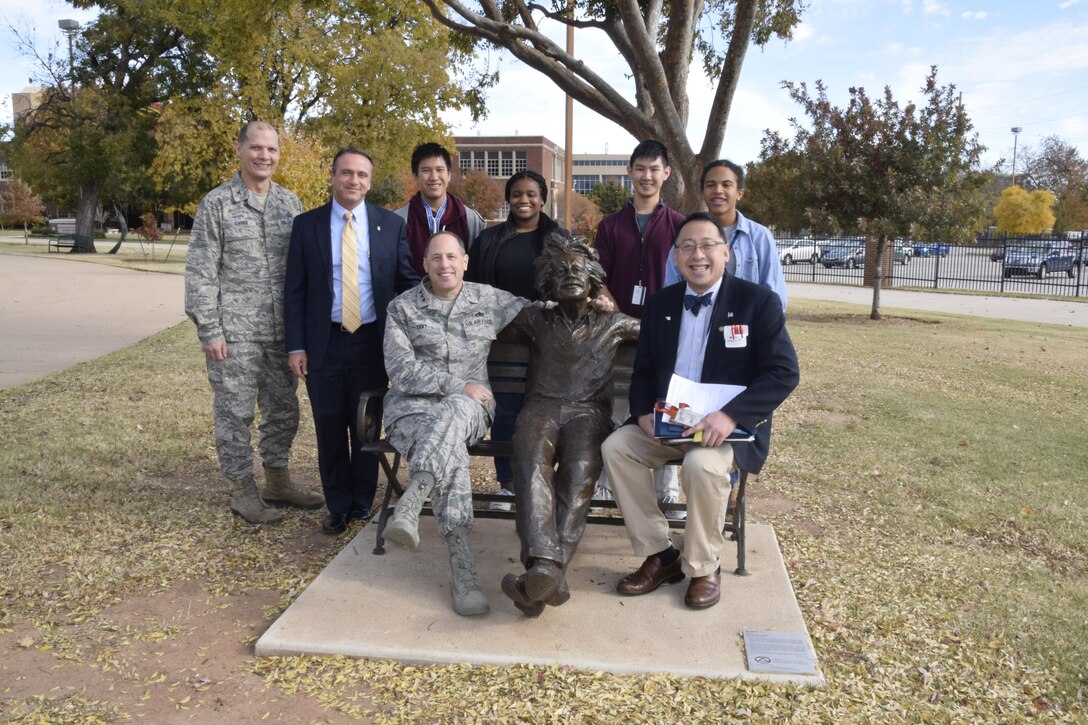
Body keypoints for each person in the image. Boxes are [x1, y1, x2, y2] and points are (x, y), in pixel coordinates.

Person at [601, 212, 799, 610]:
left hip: (724, 431)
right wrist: (642, 413)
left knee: (701, 466)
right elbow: (644, 370)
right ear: (675, 257)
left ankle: (705, 566)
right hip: (670, 426)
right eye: (687, 246)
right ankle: (661, 554)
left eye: (708, 245)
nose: (698, 255)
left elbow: (783, 372)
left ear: (726, 252)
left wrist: (732, 415)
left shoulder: (757, 302)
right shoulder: (660, 306)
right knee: (617, 448)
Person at [379, 231, 530, 617]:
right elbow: (402, 370)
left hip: (471, 410)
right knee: (451, 450)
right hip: (411, 410)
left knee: (456, 411)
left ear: (465, 261)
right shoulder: (403, 308)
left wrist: (597, 302)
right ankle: (462, 569)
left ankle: (414, 498)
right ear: (425, 265)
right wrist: (457, 385)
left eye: (452, 257)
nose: (444, 264)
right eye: (436, 258)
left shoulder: (490, 299)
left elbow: (541, 310)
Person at [185, 121, 323, 525]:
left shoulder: (289, 204)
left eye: (272, 150)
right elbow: (200, 272)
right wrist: (210, 330)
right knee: (235, 414)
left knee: (284, 411)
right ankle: (243, 491)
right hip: (235, 335)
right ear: (239, 150)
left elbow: (303, 271)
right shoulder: (218, 203)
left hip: (282, 334)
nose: (264, 156)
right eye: (256, 148)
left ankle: (277, 480)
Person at [498, 234, 639, 617]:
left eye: (578, 268)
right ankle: (548, 572)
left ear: (594, 278)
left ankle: (541, 574)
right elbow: (485, 330)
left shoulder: (616, 324)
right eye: (559, 271)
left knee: (580, 468)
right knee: (529, 460)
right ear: (546, 281)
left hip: (588, 413)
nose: (569, 275)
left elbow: (663, 339)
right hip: (540, 408)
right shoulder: (532, 319)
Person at [284, 147, 419, 536]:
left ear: (370, 181)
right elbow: (294, 291)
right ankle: (337, 505)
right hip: (323, 343)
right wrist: (296, 346)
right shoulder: (306, 225)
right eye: (346, 173)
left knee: (366, 426)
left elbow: (406, 284)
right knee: (329, 426)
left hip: (371, 342)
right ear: (333, 176)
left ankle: (363, 500)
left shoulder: (389, 225)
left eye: (361, 175)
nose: (354, 181)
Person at [466, 170, 570, 512]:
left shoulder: (560, 240)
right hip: (502, 341)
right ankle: (508, 485)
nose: (523, 200)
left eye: (531, 194)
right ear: (507, 199)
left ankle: (543, 485)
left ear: (543, 199)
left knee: (543, 412)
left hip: (548, 341)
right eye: (516, 194)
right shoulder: (489, 239)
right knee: (506, 411)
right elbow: (474, 287)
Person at [592, 140, 686, 514]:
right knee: (615, 404)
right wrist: (607, 301)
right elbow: (597, 274)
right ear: (630, 173)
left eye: (654, 169)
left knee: (667, 404)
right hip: (618, 330)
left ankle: (668, 488)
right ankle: (605, 483)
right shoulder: (610, 225)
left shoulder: (679, 225)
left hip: (666, 331)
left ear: (666, 174)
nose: (647, 176)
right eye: (640, 168)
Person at [664, 159, 788, 310]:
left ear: (739, 193)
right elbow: (671, 287)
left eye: (726, 184)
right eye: (710, 185)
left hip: (745, 327)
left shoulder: (759, 236)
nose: (717, 190)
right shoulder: (685, 233)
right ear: (702, 191)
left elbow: (775, 296)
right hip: (696, 323)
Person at [395, 142, 486, 276]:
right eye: (426, 170)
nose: (434, 177)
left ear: (449, 175)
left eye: (439, 170)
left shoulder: (470, 219)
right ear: (416, 176)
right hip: (413, 294)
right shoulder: (399, 220)